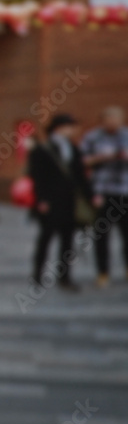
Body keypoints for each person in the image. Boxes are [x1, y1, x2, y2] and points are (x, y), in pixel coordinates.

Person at [27, 114, 92, 291]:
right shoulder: (43, 149)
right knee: (45, 239)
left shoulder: (72, 148)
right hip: (51, 202)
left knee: (67, 241)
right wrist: (41, 200)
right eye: (69, 126)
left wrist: (90, 196)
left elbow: (80, 176)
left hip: (69, 202)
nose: (72, 130)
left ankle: (65, 277)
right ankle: (38, 274)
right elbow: (37, 177)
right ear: (59, 127)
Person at [80, 106, 128, 288]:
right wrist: (104, 157)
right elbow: (82, 161)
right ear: (103, 120)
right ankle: (103, 272)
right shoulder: (93, 137)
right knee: (101, 235)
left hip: (125, 190)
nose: (113, 123)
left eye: (117, 119)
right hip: (102, 191)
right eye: (109, 119)